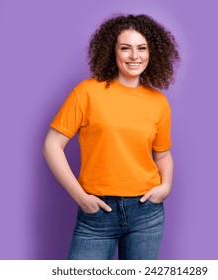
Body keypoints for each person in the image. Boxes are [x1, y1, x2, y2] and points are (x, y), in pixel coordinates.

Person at [42, 14, 180, 260]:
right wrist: (80, 197)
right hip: (97, 214)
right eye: (125, 48)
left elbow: (163, 154)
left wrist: (166, 186)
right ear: (112, 52)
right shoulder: (87, 92)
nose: (134, 56)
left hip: (146, 213)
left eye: (142, 48)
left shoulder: (159, 102)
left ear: (152, 53)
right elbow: (52, 145)